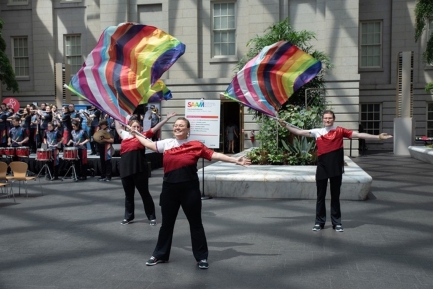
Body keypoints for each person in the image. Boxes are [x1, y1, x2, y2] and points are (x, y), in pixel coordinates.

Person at [132, 117, 251, 269]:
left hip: (190, 190)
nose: (177, 128)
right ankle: (160, 254)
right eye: (175, 126)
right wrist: (135, 133)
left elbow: (213, 155)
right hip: (169, 190)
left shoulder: (195, 145)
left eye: (181, 126)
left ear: (188, 130)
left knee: (196, 224)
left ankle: (202, 257)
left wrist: (235, 160)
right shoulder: (166, 143)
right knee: (166, 225)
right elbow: (148, 143)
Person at [278, 110, 393, 232]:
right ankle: (319, 222)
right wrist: (285, 125)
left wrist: (378, 137)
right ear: (323, 119)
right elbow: (298, 132)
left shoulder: (340, 131)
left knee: (335, 196)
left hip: (336, 168)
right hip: (322, 168)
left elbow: (359, 135)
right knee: (320, 196)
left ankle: (337, 223)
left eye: (330, 118)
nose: (327, 120)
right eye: (325, 118)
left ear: (334, 119)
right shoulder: (317, 132)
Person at [114, 112, 176, 227]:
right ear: (129, 127)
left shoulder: (143, 136)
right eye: (134, 126)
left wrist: (166, 119)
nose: (136, 128)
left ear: (141, 128)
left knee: (144, 194)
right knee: (128, 195)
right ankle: (128, 217)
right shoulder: (124, 135)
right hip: (125, 168)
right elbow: (118, 126)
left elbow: (155, 128)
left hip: (139, 168)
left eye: (138, 126)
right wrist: (115, 114)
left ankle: (151, 216)